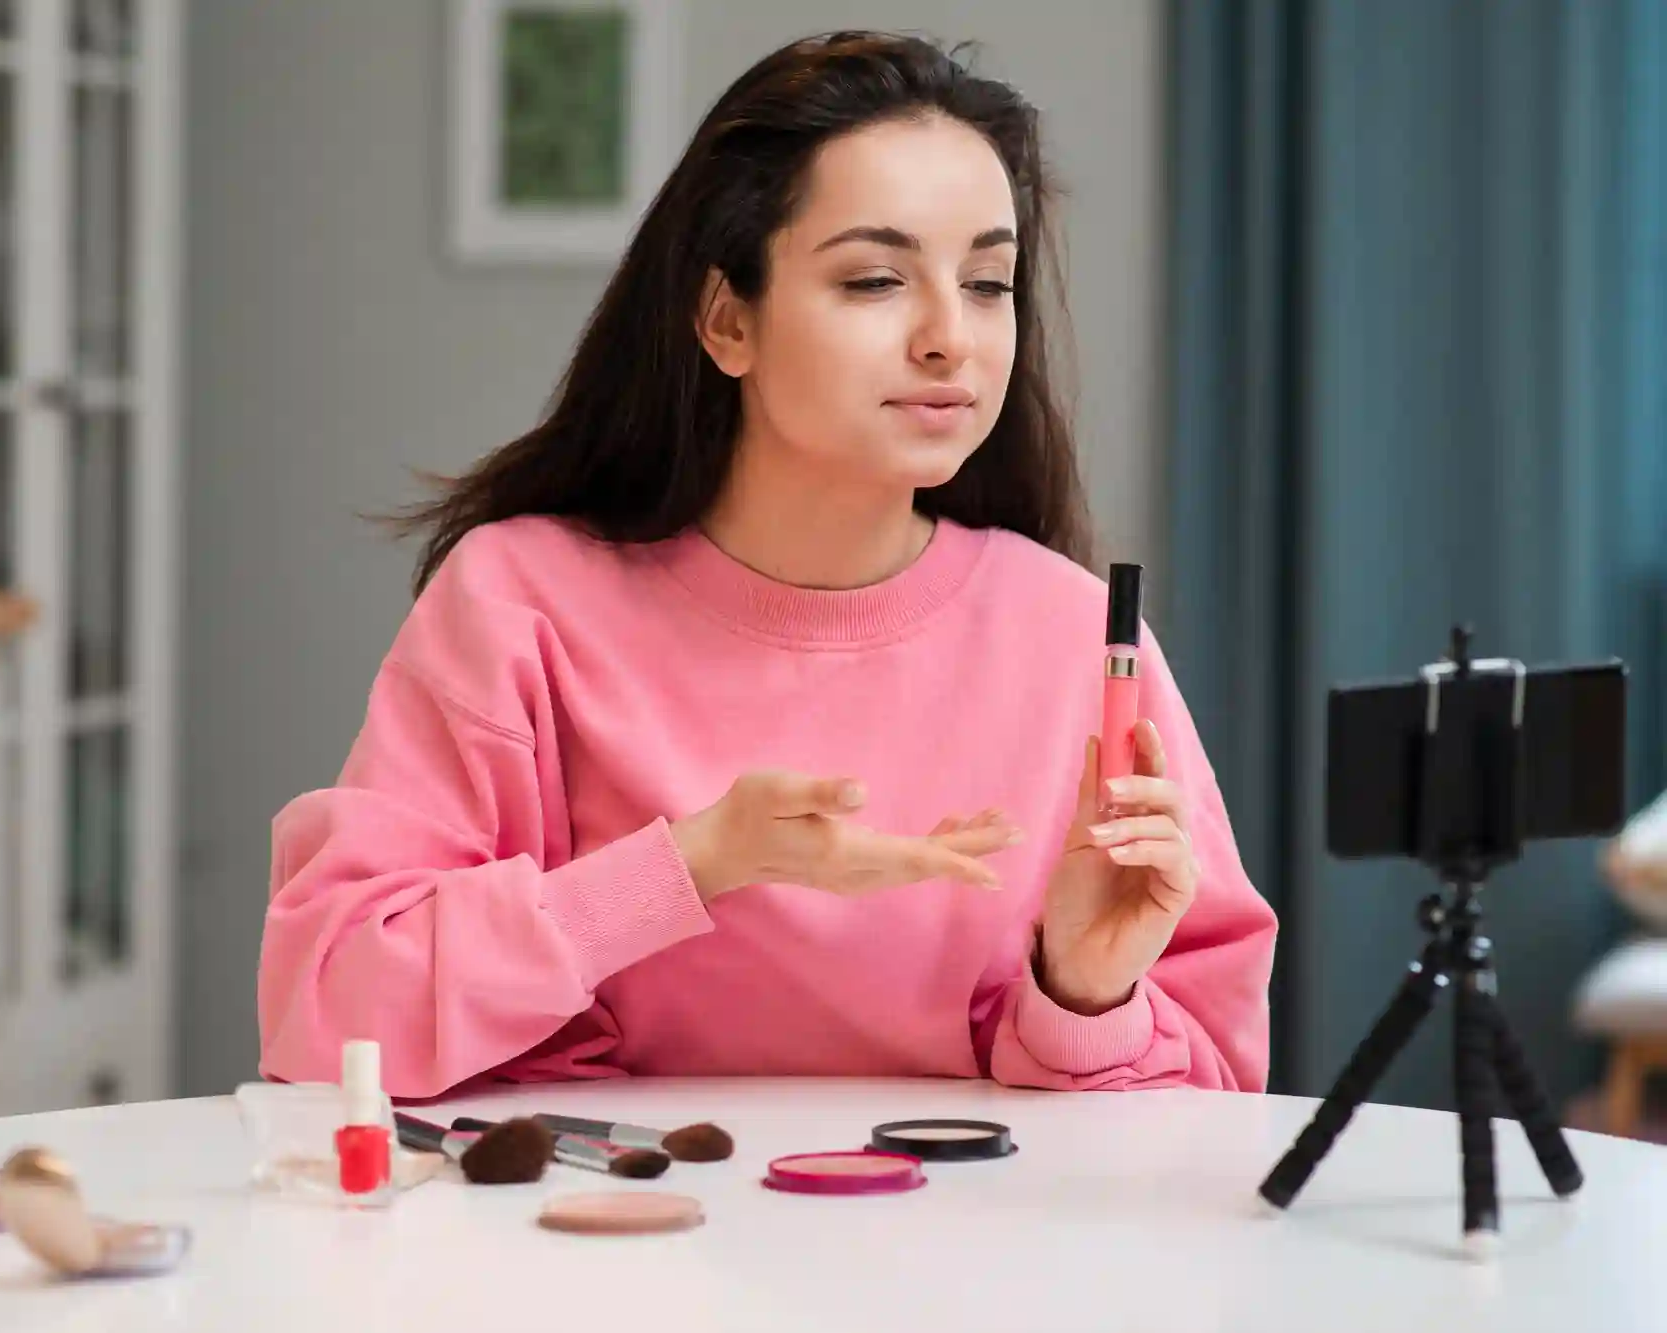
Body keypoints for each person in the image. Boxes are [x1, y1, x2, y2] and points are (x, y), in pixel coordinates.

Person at [257, 31, 1278, 1100]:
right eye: (876, 279)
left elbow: (1209, 1118)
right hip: (601, 1250)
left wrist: (1079, 993)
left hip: (971, 1259)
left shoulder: (1078, 640)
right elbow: (328, 1010)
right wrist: (693, 862)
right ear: (725, 318)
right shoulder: (518, 602)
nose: (949, 338)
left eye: (986, 281)